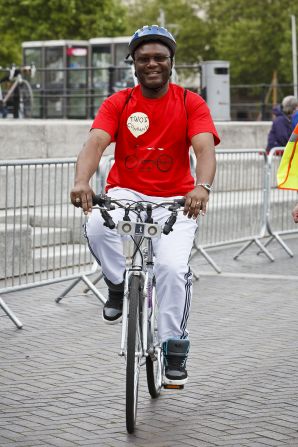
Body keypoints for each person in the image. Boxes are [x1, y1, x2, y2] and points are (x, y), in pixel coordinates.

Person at [70, 25, 220, 385]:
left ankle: (173, 347)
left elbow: (204, 149)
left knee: (170, 268)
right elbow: (95, 144)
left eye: (159, 58)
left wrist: (202, 186)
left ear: (171, 62)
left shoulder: (190, 102)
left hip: (176, 201)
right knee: (94, 224)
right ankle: (118, 284)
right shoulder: (119, 102)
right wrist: (81, 181)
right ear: (133, 64)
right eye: (143, 59)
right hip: (127, 193)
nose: (152, 64)